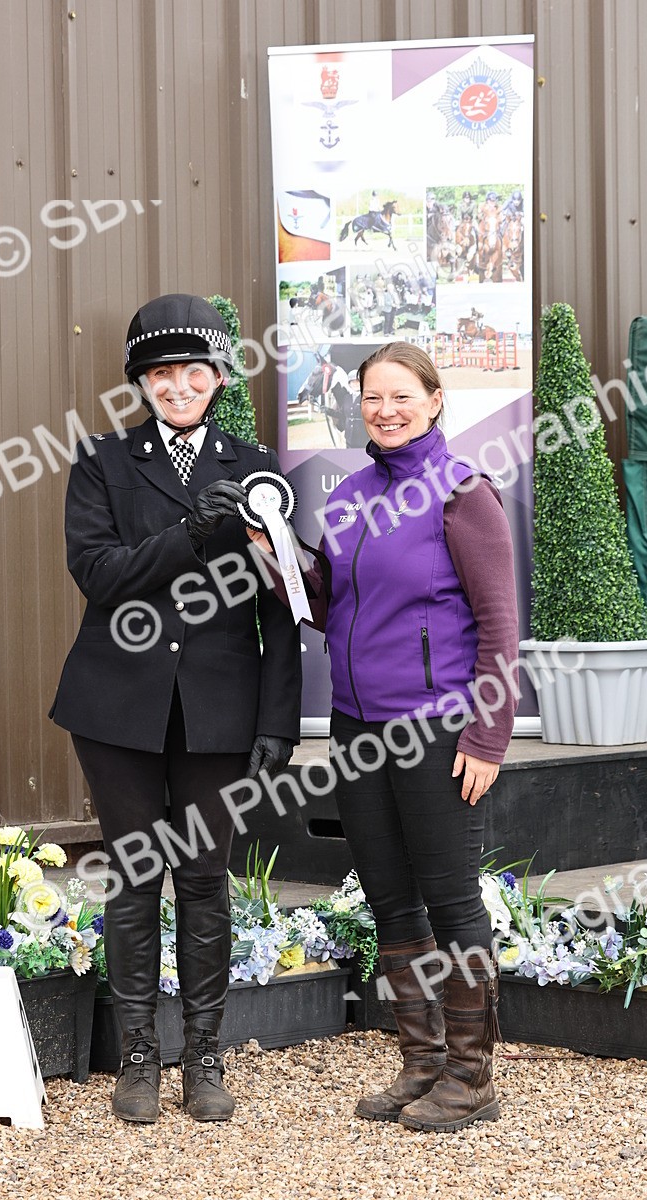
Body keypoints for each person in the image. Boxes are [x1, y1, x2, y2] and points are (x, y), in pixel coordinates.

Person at [250, 341, 518, 1133]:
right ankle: (422, 1063)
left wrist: (489, 735)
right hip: (358, 730)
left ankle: (472, 1079)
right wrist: (280, 565)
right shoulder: (351, 496)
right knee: (392, 902)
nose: (386, 409)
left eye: (402, 396)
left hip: (438, 732)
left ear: (435, 401)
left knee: (453, 901)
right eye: (373, 397)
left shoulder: (464, 496)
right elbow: (335, 611)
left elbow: (501, 626)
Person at [50, 293, 301, 1124]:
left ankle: (204, 1057)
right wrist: (191, 534)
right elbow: (101, 574)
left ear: (219, 376)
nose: (180, 384)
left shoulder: (256, 465)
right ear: (143, 383)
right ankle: (136, 1059)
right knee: (133, 878)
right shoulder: (101, 462)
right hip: (117, 707)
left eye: (195, 370)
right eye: (163, 372)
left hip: (218, 713)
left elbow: (281, 606)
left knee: (203, 879)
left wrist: (276, 721)